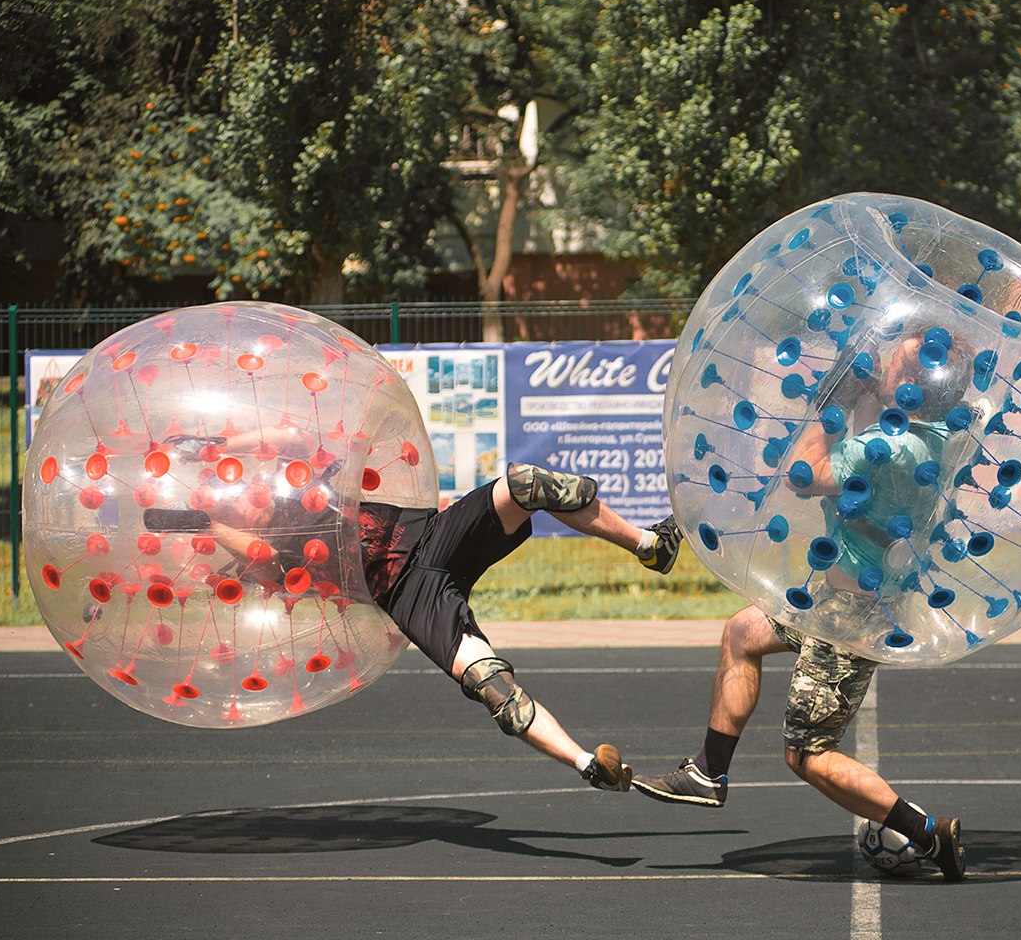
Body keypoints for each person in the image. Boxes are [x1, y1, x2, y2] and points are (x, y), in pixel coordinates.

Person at [148, 437, 681, 793]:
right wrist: (206, 521)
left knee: (528, 483)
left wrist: (216, 448)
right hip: (407, 594)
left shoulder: (302, 483)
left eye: (243, 491)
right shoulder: (264, 552)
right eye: (233, 504)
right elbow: (259, 554)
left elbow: (287, 434)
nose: (248, 498)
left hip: (434, 536)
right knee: (491, 686)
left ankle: (650, 546)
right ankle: (588, 763)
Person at [633, 331, 969, 881]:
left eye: (899, 362)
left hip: (848, 614)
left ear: (914, 385)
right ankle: (708, 774)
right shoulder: (934, 437)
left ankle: (930, 836)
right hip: (836, 596)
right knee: (743, 632)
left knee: (808, 753)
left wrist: (830, 402)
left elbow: (807, 475)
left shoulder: (895, 446)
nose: (884, 365)